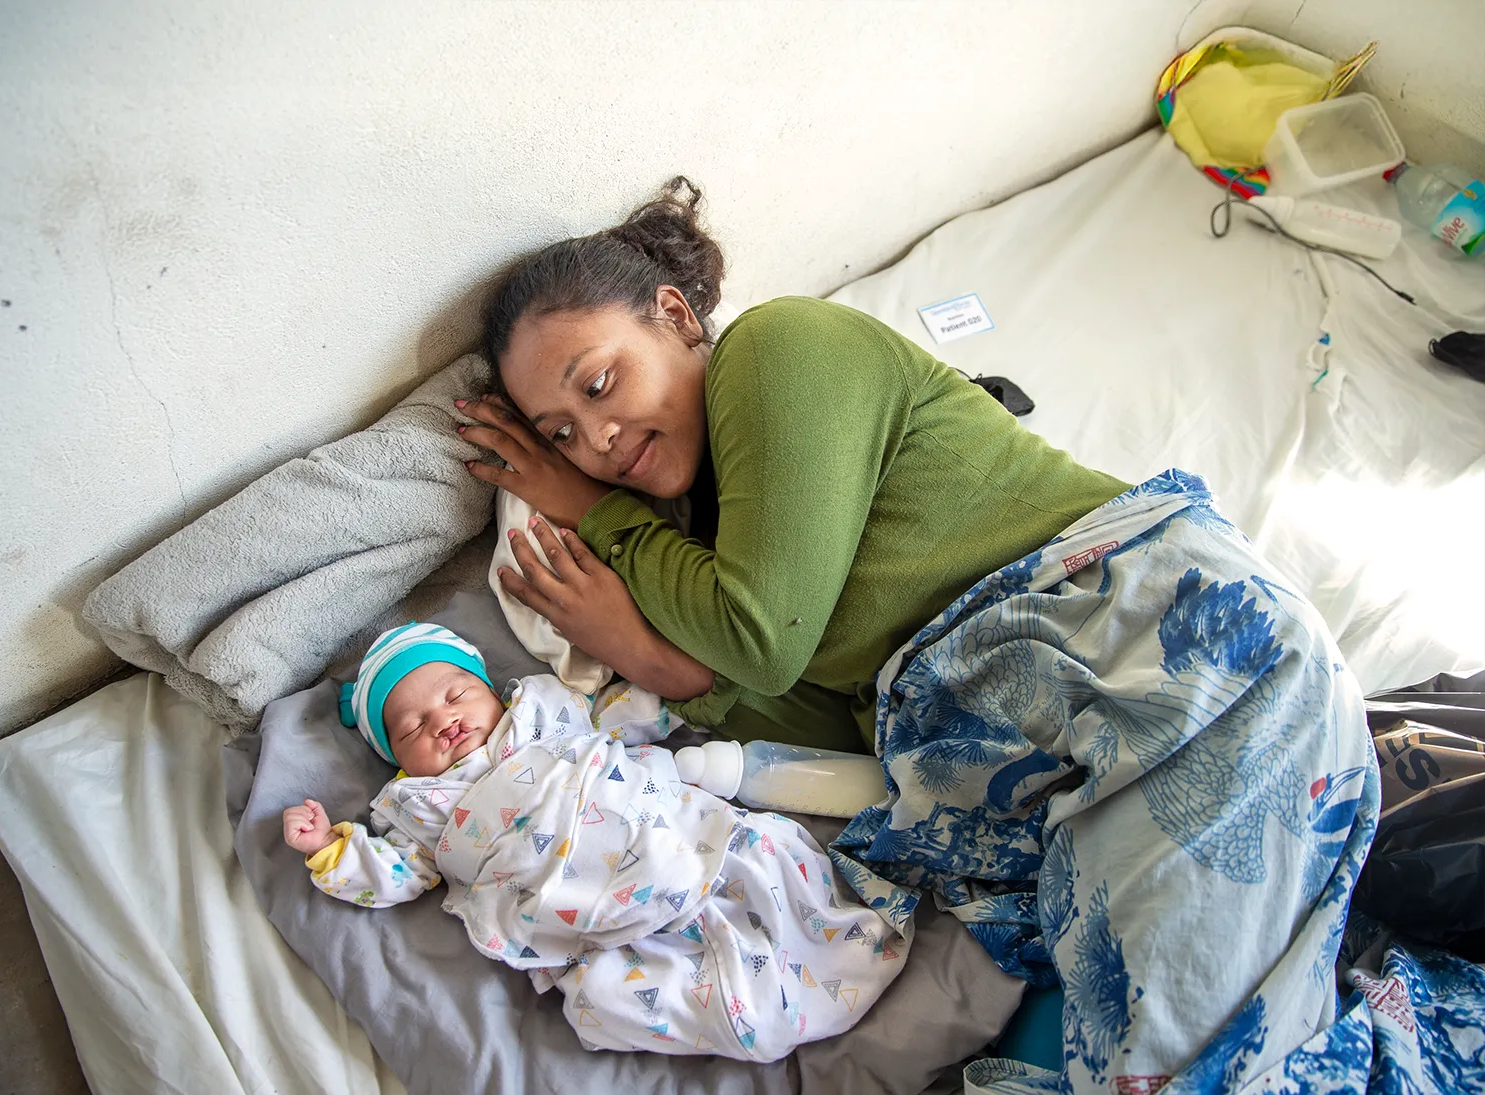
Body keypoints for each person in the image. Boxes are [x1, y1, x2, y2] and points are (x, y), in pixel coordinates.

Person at [456, 177, 1127, 753]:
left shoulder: (777, 346)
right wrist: (657, 663)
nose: (596, 439)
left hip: (1115, 616)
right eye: (562, 433)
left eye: (600, 384)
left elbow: (764, 647)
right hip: (1039, 746)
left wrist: (601, 514)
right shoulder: (710, 555)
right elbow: (856, 731)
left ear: (674, 315)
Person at [283, 621, 908, 1062]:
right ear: (396, 761)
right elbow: (397, 874)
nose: (443, 721)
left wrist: (661, 685)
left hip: (667, 836)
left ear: (488, 688)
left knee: (765, 857)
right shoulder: (418, 808)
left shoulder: (540, 712)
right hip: (582, 913)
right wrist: (329, 851)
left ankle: (833, 946)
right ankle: (746, 1015)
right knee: (607, 1001)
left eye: (454, 694)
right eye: (413, 726)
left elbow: (620, 713)